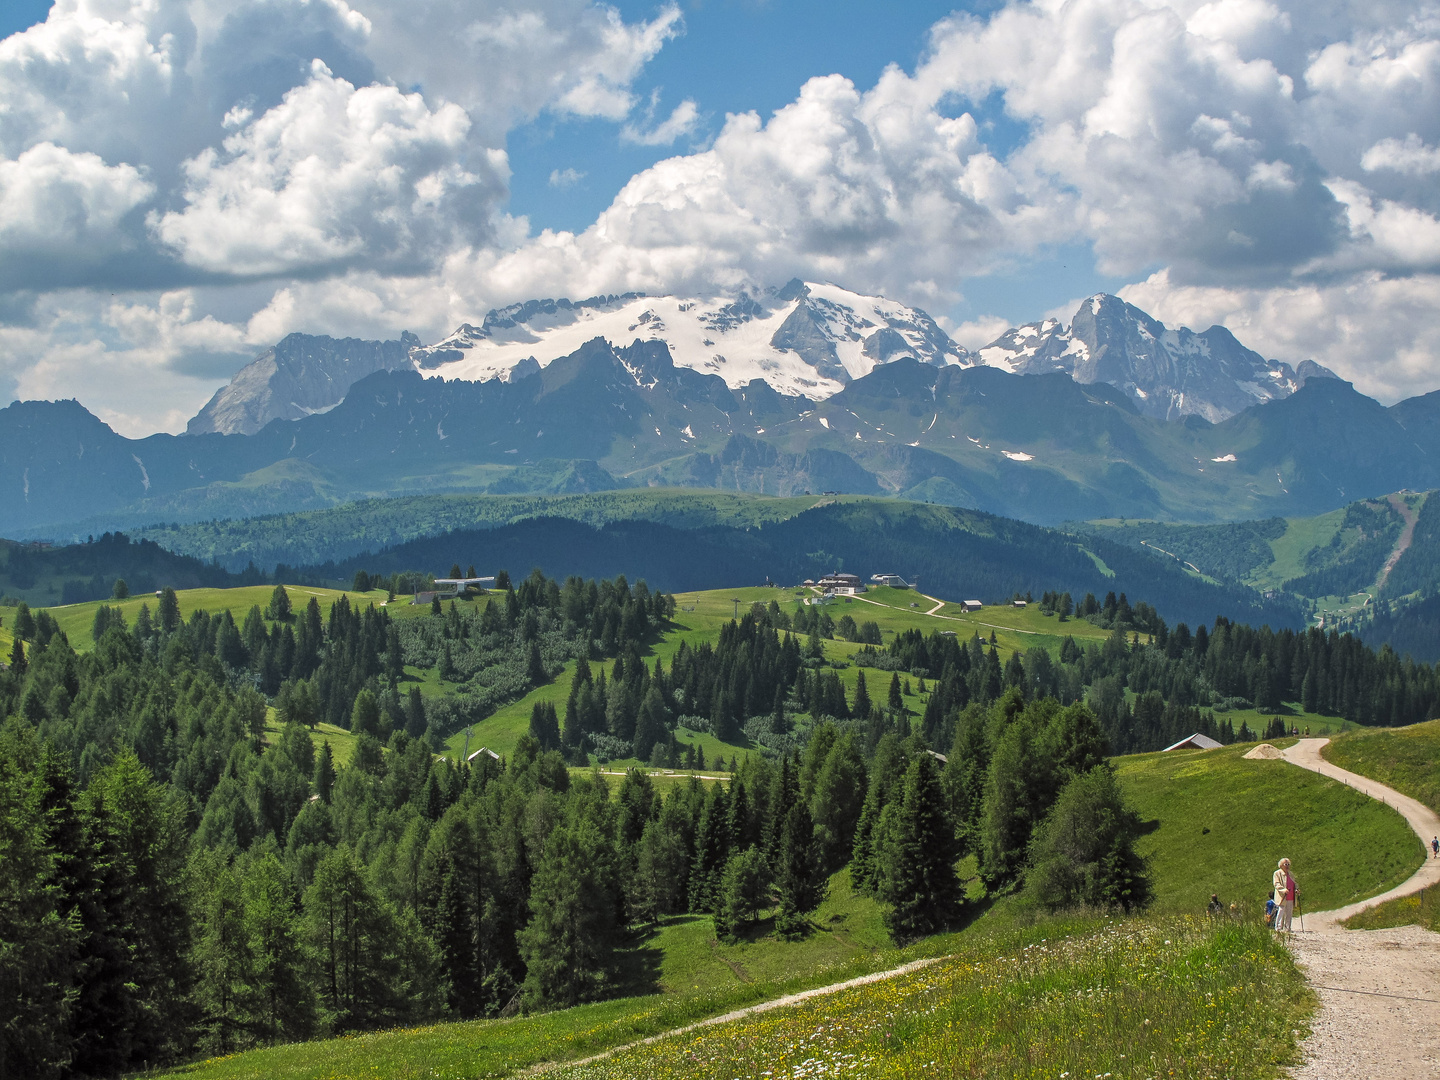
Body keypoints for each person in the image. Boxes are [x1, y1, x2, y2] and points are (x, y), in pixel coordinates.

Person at [1272, 858, 1297, 932]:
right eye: (1285, 864)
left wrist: (1296, 889)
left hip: (1291, 896)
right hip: (1282, 896)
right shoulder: (1277, 873)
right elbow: (1276, 884)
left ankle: (1287, 928)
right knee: (1281, 911)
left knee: (1289, 912)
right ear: (1281, 865)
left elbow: (1294, 883)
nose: (1287, 866)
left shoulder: (1291, 874)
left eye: (1288, 864)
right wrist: (1283, 890)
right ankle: (1278, 928)